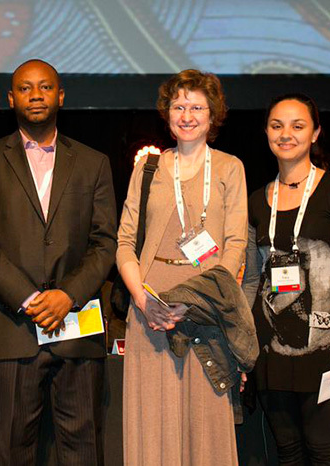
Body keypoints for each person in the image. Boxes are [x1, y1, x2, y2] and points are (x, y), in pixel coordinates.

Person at [0, 59, 117, 465]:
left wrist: (68, 295)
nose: (35, 95)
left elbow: (105, 243)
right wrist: (30, 298)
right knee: (9, 450)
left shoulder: (92, 162)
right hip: (11, 328)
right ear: (11, 98)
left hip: (77, 324)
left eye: (44, 87)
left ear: (60, 96)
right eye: (26, 88)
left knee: (83, 449)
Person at [116, 69, 250, 466]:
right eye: (179, 106)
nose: (187, 115)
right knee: (153, 425)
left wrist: (200, 301)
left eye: (197, 107)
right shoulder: (149, 168)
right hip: (152, 315)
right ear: (167, 113)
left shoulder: (230, 167)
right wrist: (142, 300)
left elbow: (236, 244)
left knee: (205, 425)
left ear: (213, 116)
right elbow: (124, 242)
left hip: (207, 313)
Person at [242, 93, 330, 464]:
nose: (286, 134)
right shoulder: (256, 200)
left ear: (315, 133)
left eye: (298, 126)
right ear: (266, 132)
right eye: (277, 126)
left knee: (323, 445)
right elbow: (250, 279)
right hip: (270, 347)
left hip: (325, 346)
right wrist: (244, 343)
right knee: (288, 449)